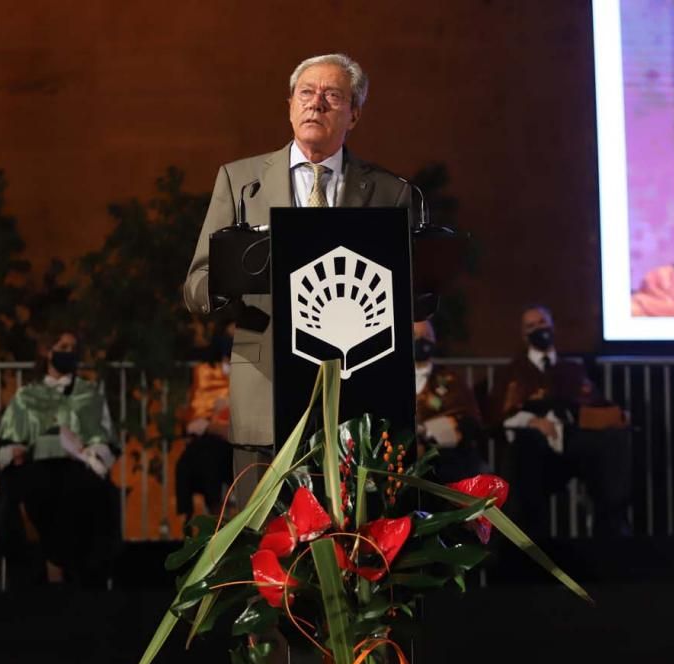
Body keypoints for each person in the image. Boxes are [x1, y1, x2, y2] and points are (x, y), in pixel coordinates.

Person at [183, 52, 411, 495]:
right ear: (289, 105)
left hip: (356, 402)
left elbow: (405, 293)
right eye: (306, 93)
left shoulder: (390, 191)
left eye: (332, 96)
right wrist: (234, 278)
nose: (316, 104)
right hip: (265, 397)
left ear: (355, 114)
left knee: (350, 546)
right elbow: (196, 284)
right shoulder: (239, 181)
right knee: (263, 547)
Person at [0, 330, 120, 587]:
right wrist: (15, 451)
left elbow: (105, 440)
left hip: (77, 466)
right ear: (49, 352)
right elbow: (7, 440)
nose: (68, 352)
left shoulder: (89, 394)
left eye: (73, 348)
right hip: (36, 466)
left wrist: (91, 453)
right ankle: (48, 567)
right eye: (63, 346)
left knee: (85, 494)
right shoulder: (27, 396)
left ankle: (65, 568)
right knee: (30, 494)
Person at [491, 305, 632, 538]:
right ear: (524, 335)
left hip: (572, 440)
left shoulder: (571, 369)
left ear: (553, 327)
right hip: (535, 447)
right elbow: (500, 414)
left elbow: (594, 402)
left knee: (611, 442)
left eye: (542, 323)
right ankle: (531, 542)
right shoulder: (513, 372)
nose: (539, 329)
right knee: (527, 447)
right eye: (531, 326)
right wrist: (532, 421)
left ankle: (612, 528)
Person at [175, 323, 235, 522]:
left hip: (237, 442)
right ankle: (209, 518)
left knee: (210, 455)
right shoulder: (207, 371)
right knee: (196, 456)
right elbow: (196, 414)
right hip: (210, 438)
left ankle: (217, 518)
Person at [414, 319, 485, 483]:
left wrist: (431, 432)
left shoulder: (450, 379)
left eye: (426, 335)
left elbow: (469, 418)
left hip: (443, 457)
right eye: (415, 335)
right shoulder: (394, 379)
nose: (421, 340)